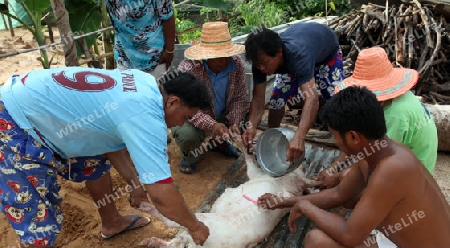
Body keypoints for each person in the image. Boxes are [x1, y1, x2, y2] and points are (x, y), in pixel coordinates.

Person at [0, 68, 210, 248]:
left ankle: (112, 222)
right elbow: (161, 193)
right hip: (13, 125)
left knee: (93, 157)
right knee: (38, 222)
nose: (182, 123)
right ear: (173, 102)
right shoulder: (146, 115)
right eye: (186, 116)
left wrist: (134, 182)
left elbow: (109, 136)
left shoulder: (145, 83)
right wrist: (195, 226)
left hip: (34, 103)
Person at [258, 86, 450, 248]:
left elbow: (349, 236)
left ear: (353, 137)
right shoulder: (380, 150)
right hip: (409, 244)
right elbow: (339, 194)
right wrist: (285, 201)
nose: (337, 143)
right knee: (348, 208)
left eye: (335, 137)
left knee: (315, 245)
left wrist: (306, 206)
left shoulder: (392, 170)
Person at [316, 47, 438, 189]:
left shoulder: (394, 115)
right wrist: (333, 169)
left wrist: (337, 177)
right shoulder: (390, 101)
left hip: (414, 175)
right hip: (406, 162)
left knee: (353, 191)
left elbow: (375, 158)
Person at [242, 22, 344, 162]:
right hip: (301, 46)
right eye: (257, 65)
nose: (261, 68)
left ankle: (344, 149)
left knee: (335, 101)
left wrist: (299, 137)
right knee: (277, 100)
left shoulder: (297, 56)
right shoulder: (260, 63)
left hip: (326, 53)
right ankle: (273, 137)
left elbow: (311, 99)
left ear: (279, 53)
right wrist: (252, 125)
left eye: (264, 63)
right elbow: (259, 99)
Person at [172, 21, 249, 174]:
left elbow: (239, 98)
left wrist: (235, 122)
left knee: (245, 119)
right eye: (217, 56)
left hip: (220, 112)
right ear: (206, 55)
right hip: (191, 116)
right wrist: (212, 126)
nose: (223, 60)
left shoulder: (237, 65)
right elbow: (187, 109)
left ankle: (219, 144)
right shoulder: (189, 69)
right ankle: (189, 157)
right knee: (188, 136)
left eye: (226, 55)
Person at [106, 0, 176, 142]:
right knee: (129, 97)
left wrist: (169, 50)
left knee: (155, 97)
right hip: (125, 55)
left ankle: (158, 132)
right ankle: (137, 134)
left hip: (155, 55)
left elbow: (168, 17)